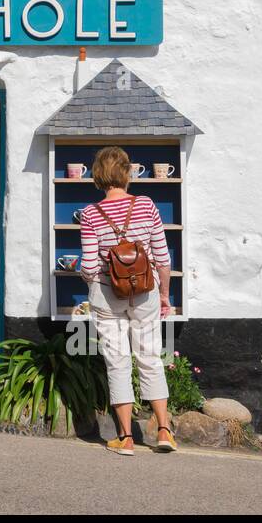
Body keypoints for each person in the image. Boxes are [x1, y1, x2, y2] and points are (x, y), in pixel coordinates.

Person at [78, 146, 176, 455]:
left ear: (97, 174)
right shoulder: (146, 205)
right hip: (145, 293)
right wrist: (163, 293)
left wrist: (95, 280)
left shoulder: (90, 214)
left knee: (117, 362)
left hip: (108, 297)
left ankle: (126, 438)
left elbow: (90, 266)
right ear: (127, 172)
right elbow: (162, 257)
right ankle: (163, 431)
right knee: (150, 359)